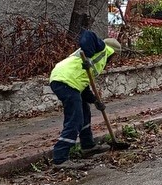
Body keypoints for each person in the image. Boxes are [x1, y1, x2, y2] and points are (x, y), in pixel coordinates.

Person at [49, 30, 121, 169]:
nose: (114, 61)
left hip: (70, 81)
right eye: (116, 57)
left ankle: (88, 146)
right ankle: (60, 158)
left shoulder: (99, 60)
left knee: (84, 112)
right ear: (114, 53)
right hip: (66, 80)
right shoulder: (102, 48)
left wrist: (95, 101)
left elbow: (84, 86)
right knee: (75, 119)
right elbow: (88, 34)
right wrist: (87, 56)